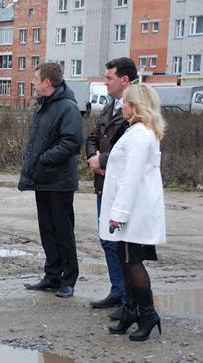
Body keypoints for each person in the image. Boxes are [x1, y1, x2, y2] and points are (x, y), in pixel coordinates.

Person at [100, 83, 165, 341]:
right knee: (125, 260)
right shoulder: (136, 131)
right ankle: (130, 311)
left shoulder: (139, 134)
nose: (122, 106)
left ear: (136, 106)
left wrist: (119, 213)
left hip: (133, 211)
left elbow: (131, 177)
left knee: (132, 261)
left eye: (126, 102)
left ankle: (148, 314)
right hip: (131, 209)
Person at [19, 63, 83, 298]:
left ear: (47, 82)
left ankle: (69, 279)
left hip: (59, 181)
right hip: (43, 180)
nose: (33, 83)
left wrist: (45, 159)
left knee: (63, 231)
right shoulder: (43, 107)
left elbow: (72, 142)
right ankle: (52, 275)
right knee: (47, 230)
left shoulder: (67, 107)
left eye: (36, 79)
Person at [85, 58, 138, 318]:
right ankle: (118, 291)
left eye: (109, 78)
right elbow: (93, 136)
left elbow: (134, 149)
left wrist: (103, 160)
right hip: (102, 181)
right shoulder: (110, 106)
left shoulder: (137, 109)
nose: (105, 82)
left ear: (124, 80)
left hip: (120, 184)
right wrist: (93, 158)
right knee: (107, 239)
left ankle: (131, 299)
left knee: (123, 243)